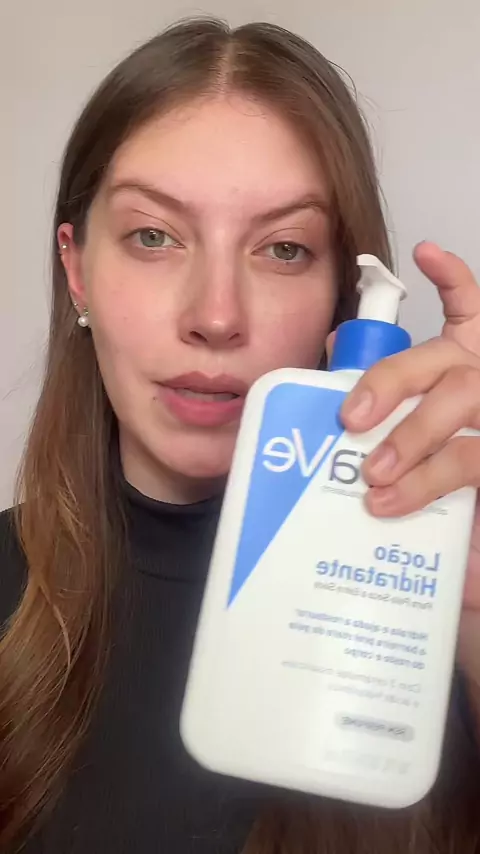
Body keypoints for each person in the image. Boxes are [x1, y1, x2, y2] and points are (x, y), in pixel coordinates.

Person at [1, 16, 480, 854]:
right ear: (76, 270)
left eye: (283, 248)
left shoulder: (436, 609)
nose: (216, 315)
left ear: (342, 295)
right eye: (153, 236)